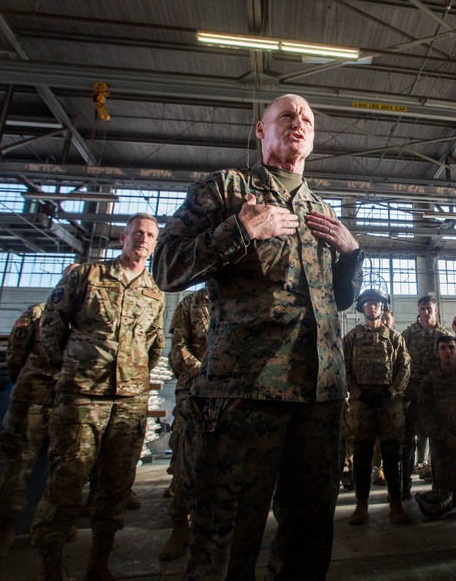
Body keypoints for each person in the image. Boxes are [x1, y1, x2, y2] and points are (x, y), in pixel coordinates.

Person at [153, 94, 364, 580]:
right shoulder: (227, 190)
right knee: (226, 540)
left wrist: (352, 255)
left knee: (310, 539)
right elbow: (166, 267)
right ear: (260, 130)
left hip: (319, 395)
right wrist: (240, 229)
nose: (299, 124)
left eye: (308, 119)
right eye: (287, 115)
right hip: (246, 394)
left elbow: (338, 300)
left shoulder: (320, 207)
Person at [30, 213, 165, 581]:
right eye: (137, 232)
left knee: (116, 487)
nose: (143, 239)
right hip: (82, 396)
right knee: (66, 481)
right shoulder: (85, 276)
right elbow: (52, 326)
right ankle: (50, 568)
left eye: (150, 235)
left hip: (130, 402)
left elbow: (154, 346)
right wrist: (75, 369)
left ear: (155, 244)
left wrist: (133, 379)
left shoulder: (154, 291)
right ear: (122, 237)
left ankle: (98, 563)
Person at [0, 264, 79, 560]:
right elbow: (15, 356)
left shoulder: (85, 317)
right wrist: (26, 384)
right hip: (33, 399)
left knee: (65, 467)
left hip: (70, 400)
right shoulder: (37, 313)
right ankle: (6, 529)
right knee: (17, 465)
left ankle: (54, 524)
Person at [343, 289, 411, 526]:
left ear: (383, 308)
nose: (372, 307)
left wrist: (390, 392)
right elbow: (344, 370)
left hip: (388, 405)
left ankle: (396, 504)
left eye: (377, 303)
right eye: (368, 303)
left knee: (392, 455)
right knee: (361, 455)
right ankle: (361, 506)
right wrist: (359, 393)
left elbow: (404, 368)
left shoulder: (395, 338)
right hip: (362, 405)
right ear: (361, 307)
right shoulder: (351, 338)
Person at [158, 288, 210, 561]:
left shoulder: (248, 297)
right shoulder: (191, 303)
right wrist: (206, 373)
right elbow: (178, 347)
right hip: (194, 391)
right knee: (185, 459)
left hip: (235, 393)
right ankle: (180, 525)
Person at [416, 335, 456, 516]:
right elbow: (426, 416)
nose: (447, 352)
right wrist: (445, 437)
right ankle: (452, 493)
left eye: (451, 347)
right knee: (444, 496)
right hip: (443, 441)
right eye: (443, 348)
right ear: (437, 352)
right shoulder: (429, 381)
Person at [400, 295, 451, 497]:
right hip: (411, 392)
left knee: (438, 439)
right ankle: (404, 486)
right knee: (407, 440)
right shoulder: (407, 335)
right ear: (418, 310)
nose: (426, 311)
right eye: (423, 308)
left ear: (435, 310)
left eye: (429, 308)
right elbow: (399, 362)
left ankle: (439, 486)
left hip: (436, 393)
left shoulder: (444, 335)